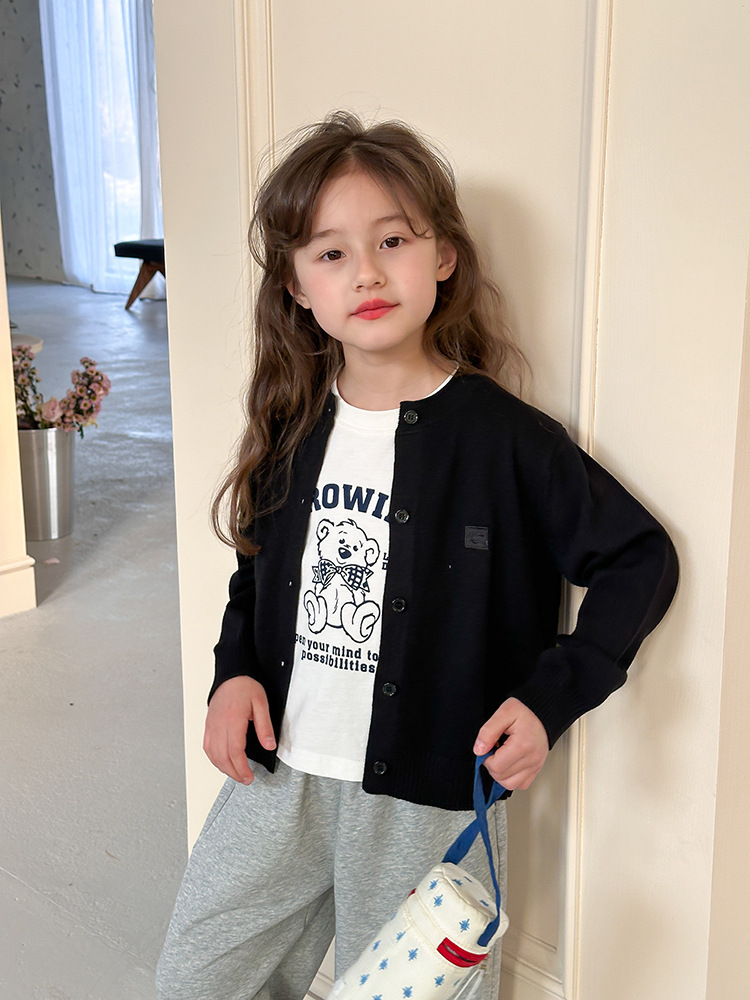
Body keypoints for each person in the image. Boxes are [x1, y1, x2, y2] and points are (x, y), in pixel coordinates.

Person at [156, 111, 678, 1000]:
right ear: (297, 287)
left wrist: (549, 701)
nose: (365, 271)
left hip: (425, 799)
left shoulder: (507, 441)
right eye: (330, 253)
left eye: (392, 240)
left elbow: (640, 557)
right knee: (199, 979)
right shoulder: (294, 425)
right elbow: (259, 566)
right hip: (282, 773)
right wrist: (233, 670)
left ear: (443, 257)